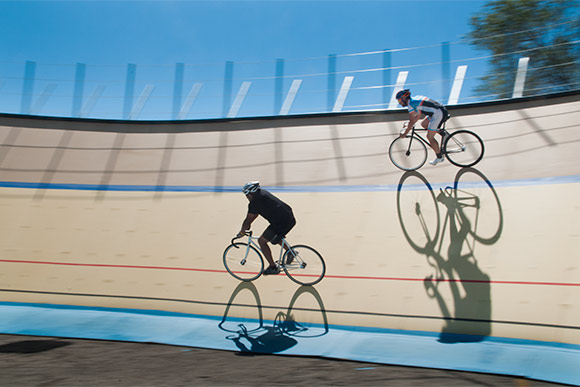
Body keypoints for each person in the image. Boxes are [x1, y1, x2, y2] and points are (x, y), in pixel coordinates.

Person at [237, 181, 296, 275]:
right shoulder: (262, 193)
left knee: (262, 241)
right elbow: (254, 215)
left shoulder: (254, 203)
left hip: (281, 222)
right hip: (289, 217)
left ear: (251, 193)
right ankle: (290, 252)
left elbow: (248, 220)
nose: (246, 197)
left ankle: (273, 267)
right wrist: (247, 226)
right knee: (274, 236)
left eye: (246, 195)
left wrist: (242, 232)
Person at [396, 89, 450, 166]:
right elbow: (417, 116)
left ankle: (439, 157)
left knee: (429, 137)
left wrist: (405, 133)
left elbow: (412, 121)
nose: (399, 103)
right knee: (424, 124)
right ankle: (443, 133)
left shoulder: (411, 104)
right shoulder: (415, 99)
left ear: (404, 98)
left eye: (399, 101)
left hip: (438, 113)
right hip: (438, 111)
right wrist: (409, 125)